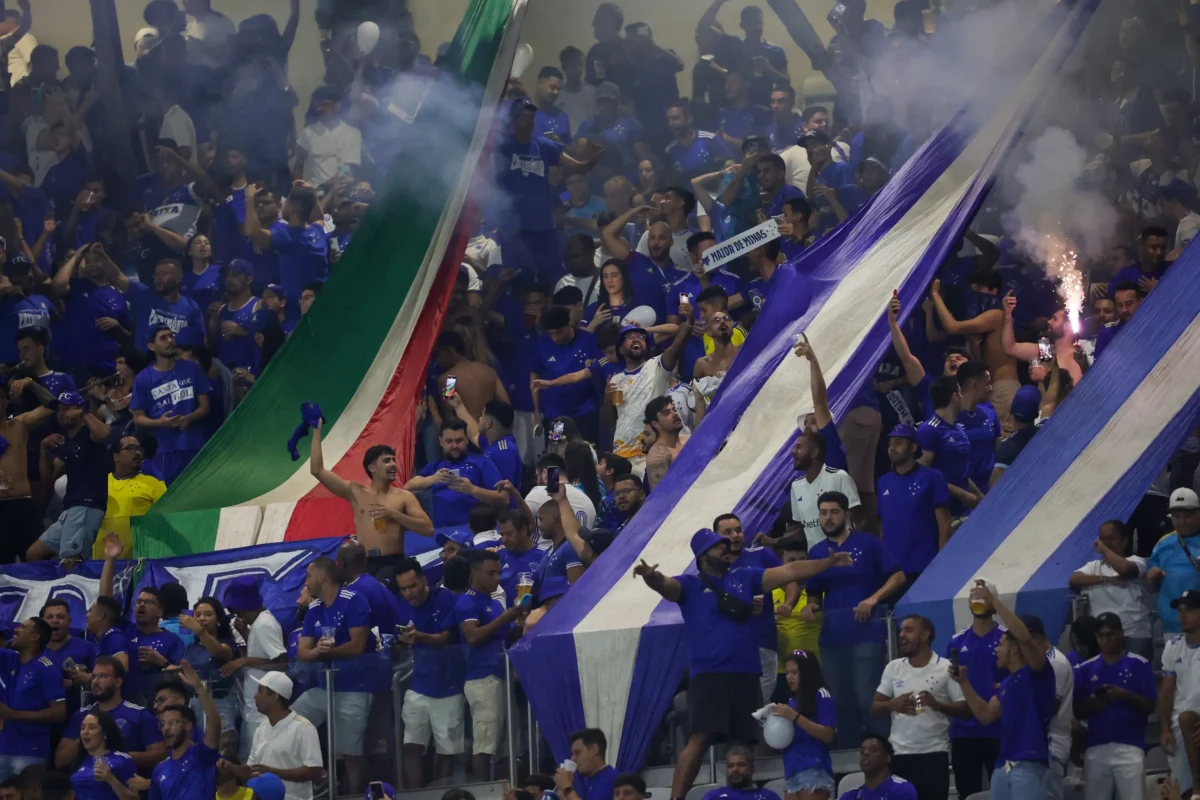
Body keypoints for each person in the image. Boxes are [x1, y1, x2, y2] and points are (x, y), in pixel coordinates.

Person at [633, 527, 852, 800]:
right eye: (718, 546)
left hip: (747, 672)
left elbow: (791, 571)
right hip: (710, 674)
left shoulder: (746, 577)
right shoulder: (689, 585)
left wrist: (828, 563)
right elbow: (666, 586)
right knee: (700, 738)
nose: (726, 549)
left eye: (726, 545)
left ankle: (748, 793)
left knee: (748, 741)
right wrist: (650, 576)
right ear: (702, 555)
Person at [804, 492, 905, 749]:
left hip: (867, 634)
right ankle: (849, 757)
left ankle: (886, 750)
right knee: (840, 702)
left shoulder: (867, 543)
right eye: (823, 513)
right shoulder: (817, 552)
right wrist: (812, 604)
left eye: (834, 512)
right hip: (832, 638)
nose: (828, 518)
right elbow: (814, 590)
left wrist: (873, 599)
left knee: (866, 696)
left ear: (846, 514)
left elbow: (898, 577)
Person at [949, 583, 1056, 800]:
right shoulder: (1006, 683)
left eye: (1002, 645)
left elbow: (1024, 637)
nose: (996, 649)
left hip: (1029, 764)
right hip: (1002, 765)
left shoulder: (1037, 673)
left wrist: (994, 601)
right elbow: (985, 715)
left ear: (1015, 649)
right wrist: (964, 683)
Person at [295, 557, 371, 793]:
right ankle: (317, 782)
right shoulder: (314, 608)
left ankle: (353, 795)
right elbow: (302, 651)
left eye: (308, 576)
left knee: (351, 754)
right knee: (289, 722)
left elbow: (358, 645)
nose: (306, 581)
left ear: (321, 576)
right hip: (323, 687)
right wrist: (318, 651)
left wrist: (330, 652)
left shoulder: (354, 600)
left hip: (353, 687)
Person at [871, 616, 965, 800]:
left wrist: (938, 705)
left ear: (925, 635)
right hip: (899, 755)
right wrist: (893, 704)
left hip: (934, 755)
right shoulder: (893, 668)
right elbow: (874, 707)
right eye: (901, 630)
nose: (901, 635)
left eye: (908, 630)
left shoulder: (945, 667)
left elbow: (964, 708)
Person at [311, 421, 433, 558]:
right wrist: (316, 431)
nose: (393, 465)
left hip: (393, 564)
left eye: (394, 460)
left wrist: (394, 515)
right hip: (365, 565)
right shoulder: (355, 492)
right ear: (372, 468)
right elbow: (317, 471)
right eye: (387, 461)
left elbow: (428, 529)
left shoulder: (405, 496)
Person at [395, 558, 465, 788]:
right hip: (419, 686)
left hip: (449, 687)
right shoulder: (401, 605)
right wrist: (401, 642)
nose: (409, 593)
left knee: (446, 750)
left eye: (412, 586)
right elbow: (400, 645)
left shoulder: (445, 598)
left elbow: (447, 638)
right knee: (410, 746)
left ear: (424, 580)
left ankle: (440, 795)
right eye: (403, 589)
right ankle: (415, 795)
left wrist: (420, 636)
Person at [456, 550, 525, 778]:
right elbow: (473, 637)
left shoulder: (494, 603)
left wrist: (519, 623)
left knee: (507, 745)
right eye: (491, 573)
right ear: (474, 573)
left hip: (502, 675)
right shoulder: (466, 600)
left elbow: (503, 636)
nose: (497, 578)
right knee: (485, 745)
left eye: (498, 573)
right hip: (482, 679)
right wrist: (506, 617)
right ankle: (482, 792)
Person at [1073, 612, 1156, 800]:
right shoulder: (1085, 669)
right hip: (1096, 748)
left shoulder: (1139, 664)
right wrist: (1093, 704)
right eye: (1101, 635)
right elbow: (1076, 712)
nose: (1106, 639)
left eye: (1110, 634)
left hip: (1130, 747)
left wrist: (1125, 695)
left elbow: (1150, 706)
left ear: (1121, 634)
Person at [26, 391, 111, 561]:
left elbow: (104, 435)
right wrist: (43, 449)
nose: (62, 413)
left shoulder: (89, 433)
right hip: (70, 507)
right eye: (59, 410)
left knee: (71, 560)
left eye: (67, 408)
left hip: (87, 504)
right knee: (33, 554)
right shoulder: (67, 442)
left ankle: (76, 585)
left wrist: (84, 412)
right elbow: (48, 477)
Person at [713, 513, 786, 702]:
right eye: (727, 532)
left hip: (762, 641)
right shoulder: (710, 567)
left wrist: (788, 603)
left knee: (760, 706)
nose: (735, 535)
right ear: (716, 537)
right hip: (727, 647)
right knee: (734, 707)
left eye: (738, 530)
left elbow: (790, 580)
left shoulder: (761, 555)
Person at [221, 673, 325, 800]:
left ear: (275, 696)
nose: (255, 697)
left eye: (260, 691)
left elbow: (315, 771)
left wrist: (275, 773)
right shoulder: (261, 727)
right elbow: (252, 769)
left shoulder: (304, 728)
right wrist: (231, 767)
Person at [129, 325, 211, 485]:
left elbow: (205, 407)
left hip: (195, 445)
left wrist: (190, 418)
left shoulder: (192, 369)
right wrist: (161, 423)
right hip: (164, 450)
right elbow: (138, 418)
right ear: (151, 346)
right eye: (163, 338)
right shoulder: (143, 378)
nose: (170, 340)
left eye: (171, 336)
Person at [944, 583, 1004, 798]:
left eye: (982, 596)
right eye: (972, 596)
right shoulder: (957, 641)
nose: (977, 600)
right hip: (964, 732)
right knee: (967, 793)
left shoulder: (1006, 639)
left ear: (993, 601)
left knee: (1003, 792)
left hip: (1000, 729)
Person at [219, 578, 288, 763]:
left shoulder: (264, 624)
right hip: (254, 707)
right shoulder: (258, 623)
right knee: (248, 758)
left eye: (235, 610)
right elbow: (261, 651)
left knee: (256, 761)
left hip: (262, 711)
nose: (235, 615)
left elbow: (281, 663)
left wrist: (243, 661)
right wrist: (245, 634)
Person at [54, 656, 164, 772]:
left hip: (126, 783)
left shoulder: (139, 714)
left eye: (102, 676)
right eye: (94, 676)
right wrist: (85, 738)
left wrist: (116, 757)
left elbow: (160, 755)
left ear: (118, 682)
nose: (95, 681)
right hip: (87, 781)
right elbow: (60, 761)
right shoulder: (81, 715)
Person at [602, 323, 688, 466]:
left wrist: (689, 322)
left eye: (641, 337)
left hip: (649, 449)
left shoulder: (657, 366)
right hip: (622, 452)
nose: (636, 339)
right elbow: (610, 421)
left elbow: (676, 344)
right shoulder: (616, 380)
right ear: (621, 349)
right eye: (630, 337)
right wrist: (607, 398)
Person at [1068, 520, 1154, 660]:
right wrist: (1106, 579)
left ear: (1125, 540)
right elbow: (1073, 580)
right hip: (1104, 636)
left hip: (1134, 633)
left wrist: (1104, 549)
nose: (1106, 544)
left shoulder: (1137, 560)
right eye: (1102, 540)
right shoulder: (1093, 566)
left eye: (1111, 539)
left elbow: (1126, 571)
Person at [876, 426, 951, 584]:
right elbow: (882, 526)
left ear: (913, 447)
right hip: (892, 571)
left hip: (923, 566)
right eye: (890, 443)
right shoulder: (883, 482)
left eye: (898, 443)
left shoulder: (932, 477)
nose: (892, 448)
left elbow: (944, 525)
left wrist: (942, 564)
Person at [0, 374, 57, 563]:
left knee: (38, 561)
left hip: (23, 506)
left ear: (6, 401)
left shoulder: (19, 424)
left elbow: (52, 406)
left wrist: (31, 384)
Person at [0, 618, 66, 779]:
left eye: (22, 627)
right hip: (3, 749)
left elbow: (59, 712)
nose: (15, 630)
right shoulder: (9, 659)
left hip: (31, 752)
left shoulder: (46, 669)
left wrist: (14, 714)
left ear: (35, 636)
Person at [150, 661, 222, 800]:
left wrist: (199, 687)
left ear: (188, 725)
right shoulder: (159, 770)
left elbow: (215, 723)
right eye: (162, 724)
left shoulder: (201, 755)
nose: (166, 729)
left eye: (173, 723)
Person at [770, 652, 836, 799]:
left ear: (807, 673)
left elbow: (828, 734)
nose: (788, 677)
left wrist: (794, 716)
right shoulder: (791, 701)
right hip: (791, 771)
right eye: (786, 673)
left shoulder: (821, 694)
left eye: (794, 672)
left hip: (814, 769)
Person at [94, 436, 166, 559]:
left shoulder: (153, 483)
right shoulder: (99, 482)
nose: (137, 452)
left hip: (138, 560)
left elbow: (169, 516)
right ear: (115, 456)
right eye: (131, 448)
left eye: (139, 449)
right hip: (100, 560)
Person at [1159, 589, 1200, 797]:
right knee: (1181, 789)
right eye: (1180, 611)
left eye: (1190, 610)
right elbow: (1167, 690)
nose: (1183, 615)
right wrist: (1165, 728)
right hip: (1178, 725)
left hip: (1195, 720)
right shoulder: (1173, 646)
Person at [1147, 488, 1200, 635]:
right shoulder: (1163, 544)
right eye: (1177, 516)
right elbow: (1151, 588)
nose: (1182, 521)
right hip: (1172, 627)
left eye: (1188, 516)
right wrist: (1152, 577)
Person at [294, 85, 362, 185]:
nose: (319, 109)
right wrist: (297, 190)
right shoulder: (308, 133)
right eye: (317, 106)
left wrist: (326, 188)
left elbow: (347, 168)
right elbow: (298, 167)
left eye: (325, 105)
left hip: (340, 194)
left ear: (337, 105)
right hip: (313, 195)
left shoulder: (353, 134)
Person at [69, 709, 138, 800]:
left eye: (92, 727)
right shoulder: (79, 760)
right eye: (82, 728)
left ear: (104, 733)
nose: (85, 732)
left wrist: (111, 779)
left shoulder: (122, 760)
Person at [840, 736, 918, 800]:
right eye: (862, 751)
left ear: (888, 757)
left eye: (873, 750)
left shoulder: (902, 789)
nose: (866, 753)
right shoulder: (850, 796)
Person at [554, 729, 618, 800]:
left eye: (577, 753)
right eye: (573, 754)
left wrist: (567, 788)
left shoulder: (614, 780)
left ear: (594, 749)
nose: (573, 759)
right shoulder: (586, 782)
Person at [644, 396, 687, 490]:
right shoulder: (657, 456)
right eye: (667, 413)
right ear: (655, 424)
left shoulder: (688, 440)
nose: (675, 414)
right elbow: (660, 496)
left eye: (674, 409)